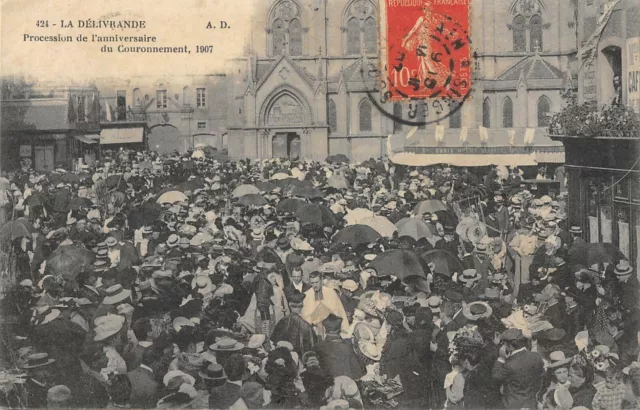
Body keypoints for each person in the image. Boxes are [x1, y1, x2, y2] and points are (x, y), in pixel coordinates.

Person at [492, 328, 545, 409]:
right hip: (531, 403)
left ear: (509, 346)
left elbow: (496, 376)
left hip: (513, 405)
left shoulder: (510, 365)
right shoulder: (536, 357)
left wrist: (501, 358)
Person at [314, 314, 365, 380]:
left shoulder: (318, 347)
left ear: (325, 329)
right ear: (340, 329)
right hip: (346, 385)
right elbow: (358, 373)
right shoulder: (348, 347)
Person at [300, 271, 349, 336]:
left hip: (331, 329)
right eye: (312, 283)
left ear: (321, 281)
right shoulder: (306, 295)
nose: (315, 285)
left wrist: (345, 329)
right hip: (315, 330)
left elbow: (340, 311)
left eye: (317, 282)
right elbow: (305, 316)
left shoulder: (331, 292)